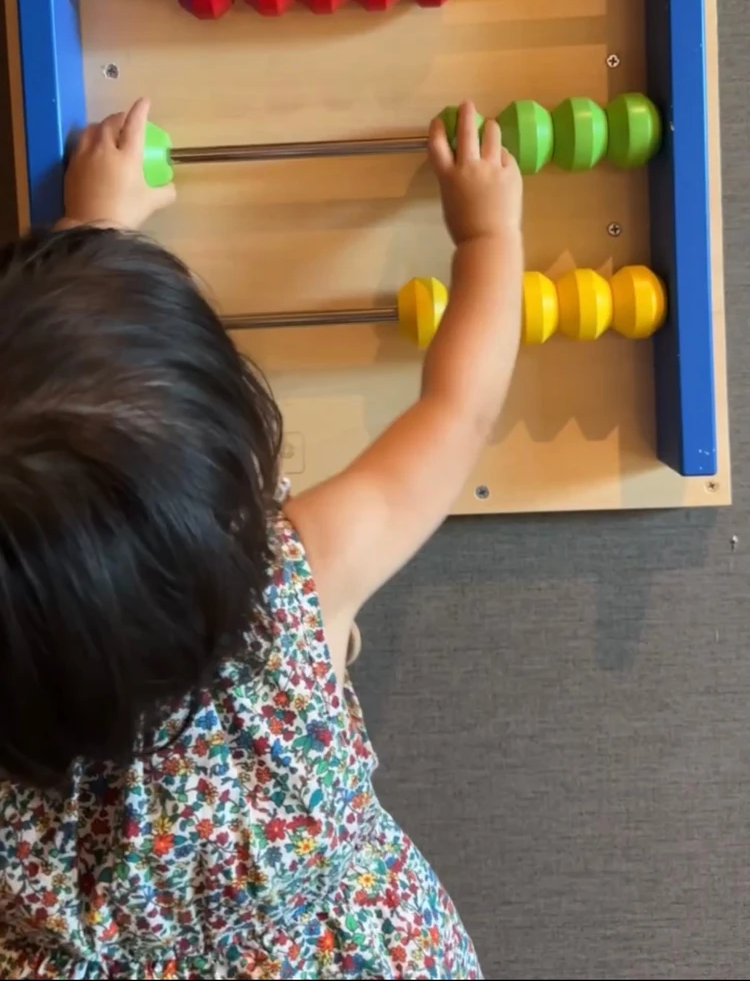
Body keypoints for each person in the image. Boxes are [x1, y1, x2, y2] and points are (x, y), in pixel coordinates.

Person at [0, 97, 523, 980]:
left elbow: (52, 474)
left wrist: (95, 240)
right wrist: (488, 238)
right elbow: (457, 412)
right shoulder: (296, 592)